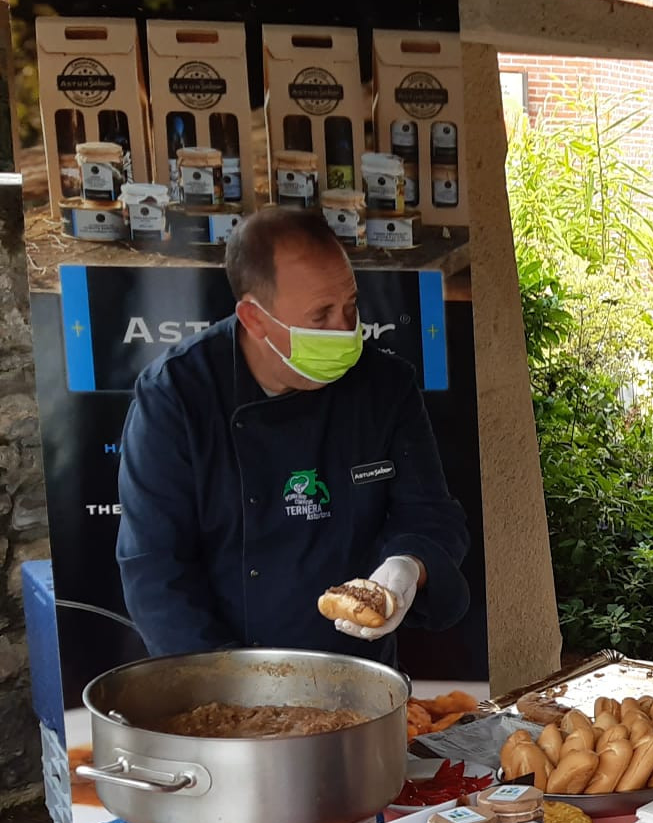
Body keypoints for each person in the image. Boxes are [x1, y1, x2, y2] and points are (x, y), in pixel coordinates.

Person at [115, 206, 469, 663]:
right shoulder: (177, 396)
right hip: (223, 674)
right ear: (255, 319)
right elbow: (155, 569)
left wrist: (408, 565)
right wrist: (226, 692)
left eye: (351, 306)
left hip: (359, 673)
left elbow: (431, 515)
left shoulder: (385, 386)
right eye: (321, 316)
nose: (346, 331)